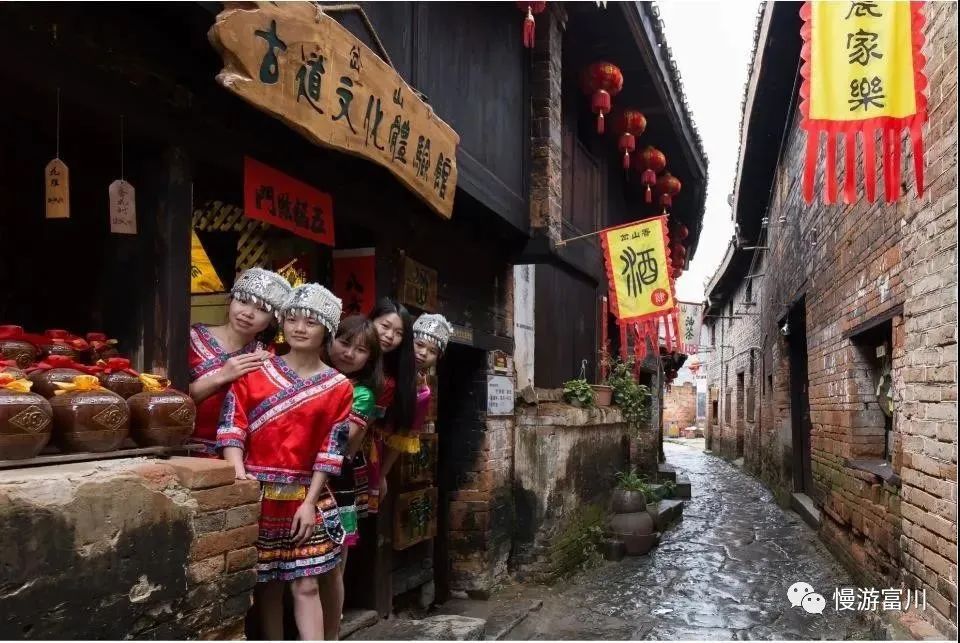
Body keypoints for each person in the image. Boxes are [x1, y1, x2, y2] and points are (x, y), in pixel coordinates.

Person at [218, 283, 352, 641]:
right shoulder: (255, 369)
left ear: (327, 329)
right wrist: (240, 477)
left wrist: (310, 502)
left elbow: (331, 449)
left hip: (305, 495)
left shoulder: (339, 385)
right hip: (257, 490)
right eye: (291, 319)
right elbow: (232, 426)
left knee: (306, 583)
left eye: (310, 322)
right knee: (268, 586)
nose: (299, 328)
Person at [322, 315, 384, 639]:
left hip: (336, 480)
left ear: (369, 359)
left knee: (333, 566)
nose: (349, 353)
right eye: (345, 343)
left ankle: (331, 634)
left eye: (360, 350)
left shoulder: (362, 393)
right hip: (295, 476)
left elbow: (342, 443)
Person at [187, 267, 290, 456]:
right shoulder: (192, 338)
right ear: (231, 300)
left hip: (238, 458)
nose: (248, 313)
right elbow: (169, 399)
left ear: (273, 320)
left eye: (262, 309)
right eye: (243, 301)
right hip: (186, 452)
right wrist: (221, 377)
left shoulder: (265, 356)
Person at [365, 298, 418, 512]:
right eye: (385, 326)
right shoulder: (349, 354)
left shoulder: (396, 377)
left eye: (398, 333)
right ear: (371, 321)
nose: (389, 336)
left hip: (366, 451)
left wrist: (381, 474)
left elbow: (398, 430)